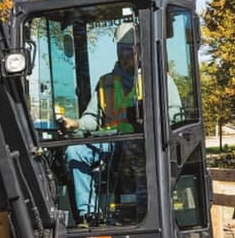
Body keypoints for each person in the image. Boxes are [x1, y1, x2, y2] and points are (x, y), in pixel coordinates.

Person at [58, 22, 182, 226]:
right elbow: (93, 119)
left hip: (144, 143)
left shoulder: (159, 80)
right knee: (75, 152)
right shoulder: (105, 81)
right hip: (110, 142)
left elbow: (174, 113)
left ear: (140, 49)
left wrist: (153, 126)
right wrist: (75, 123)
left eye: (129, 48)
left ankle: (145, 213)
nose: (124, 54)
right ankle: (88, 214)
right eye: (121, 49)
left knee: (137, 152)